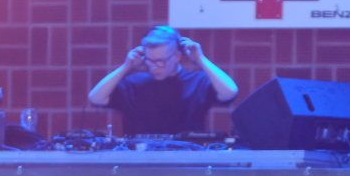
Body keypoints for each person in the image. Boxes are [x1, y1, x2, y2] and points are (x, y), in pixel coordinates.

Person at [88, 25, 238, 135]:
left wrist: (201, 59)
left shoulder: (197, 82)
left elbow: (230, 92)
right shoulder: (133, 84)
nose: (154, 67)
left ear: (177, 56)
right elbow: (96, 98)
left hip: (187, 160)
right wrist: (126, 66)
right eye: (150, 60)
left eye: (161, 61)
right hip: (140, 161)